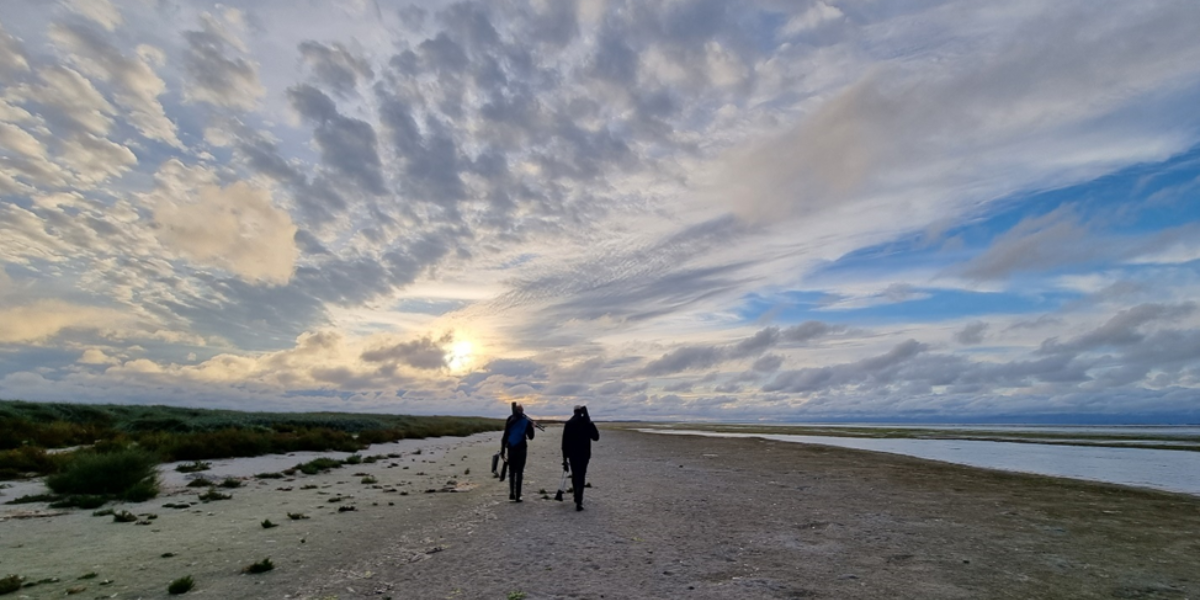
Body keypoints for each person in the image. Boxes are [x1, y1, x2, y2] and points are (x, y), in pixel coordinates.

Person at [561, 405, 600, 511]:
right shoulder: (587, 422)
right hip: (584, 454)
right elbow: (596, 437)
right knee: (581, 476)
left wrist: (564, 458)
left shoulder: (569, 423)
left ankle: (576, 496)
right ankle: (579, 500)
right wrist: (589, 420)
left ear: (574, 411)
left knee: (575, 475)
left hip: (573, 454)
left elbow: (564, 443)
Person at [501, 402, 535, 502]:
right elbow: (531, 437)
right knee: (519, 472)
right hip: (521, 448)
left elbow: (505, 435)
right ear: (522, 411)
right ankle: (518, 495)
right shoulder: (526, 421)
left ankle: (512, 492)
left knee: (511, 471)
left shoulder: (510, 419)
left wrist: (503, 450)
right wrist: (532, 427)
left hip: (511, 448)